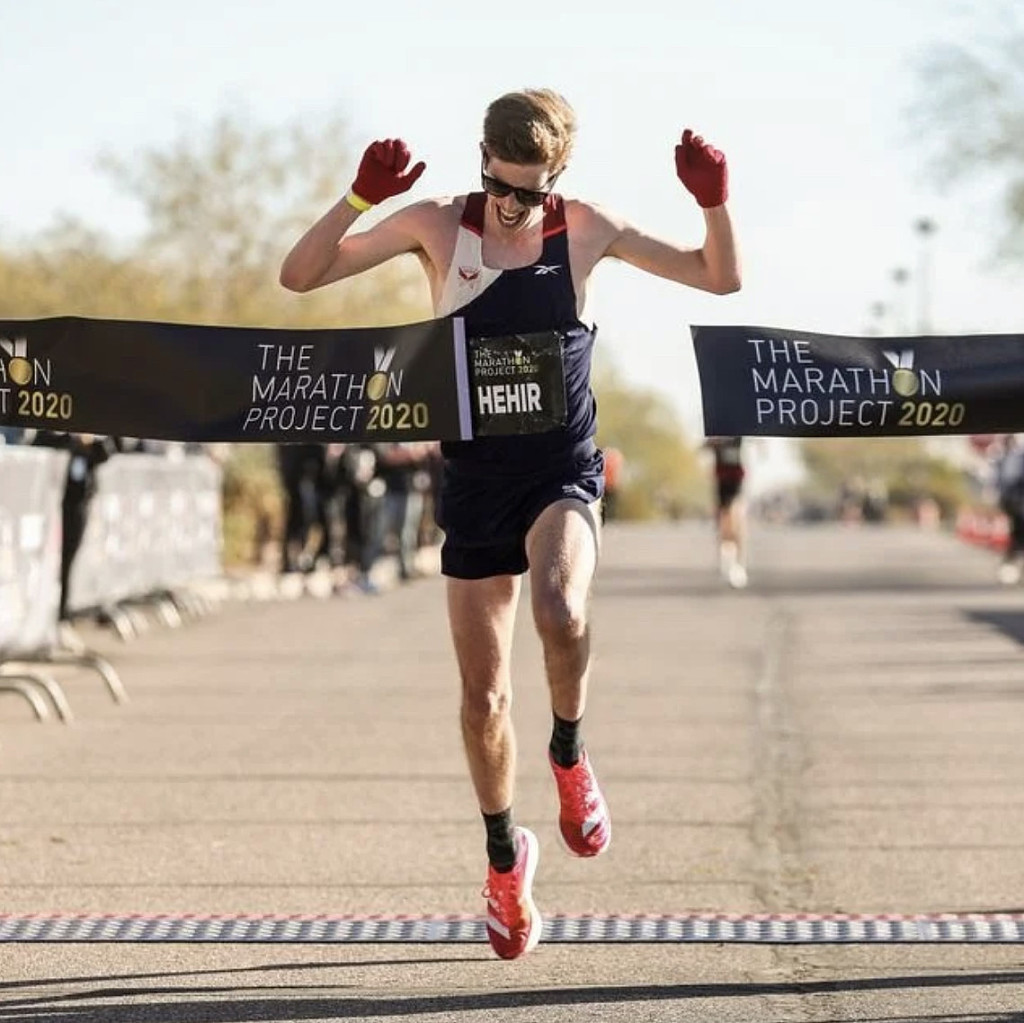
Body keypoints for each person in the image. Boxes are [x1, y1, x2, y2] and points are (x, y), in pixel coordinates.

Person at [280, 88, 740, 959]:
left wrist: (713, 201)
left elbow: (718, 276)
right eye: (498, 184)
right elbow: (300, 276)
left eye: (529, 192)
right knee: (484, 698)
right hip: (474, 480)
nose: (510, 204)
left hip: (560, 468)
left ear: (555, 177)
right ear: (482, 161)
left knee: (561, 609)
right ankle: (503, 859)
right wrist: (358, 197)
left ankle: (569, 753)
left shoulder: (586, 228)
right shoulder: (437, 225)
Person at [706, 436, 748, 589]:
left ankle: (739, 563)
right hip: (721, 479)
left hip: (736, 478)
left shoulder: (738, 433)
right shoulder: (716, 432)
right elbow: (706, 446)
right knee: (724, 522)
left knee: (736, 519)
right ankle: (726, 559)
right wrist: (714, 443)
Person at [995, 434, 1024, 585]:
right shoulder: (1002, 459)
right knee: (1016, 536)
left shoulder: (1015, 458)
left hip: (1016, 503)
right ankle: (1011, 568)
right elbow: (1001, 483)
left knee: (1017, 537)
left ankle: (1012, 567)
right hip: (1013, 504)